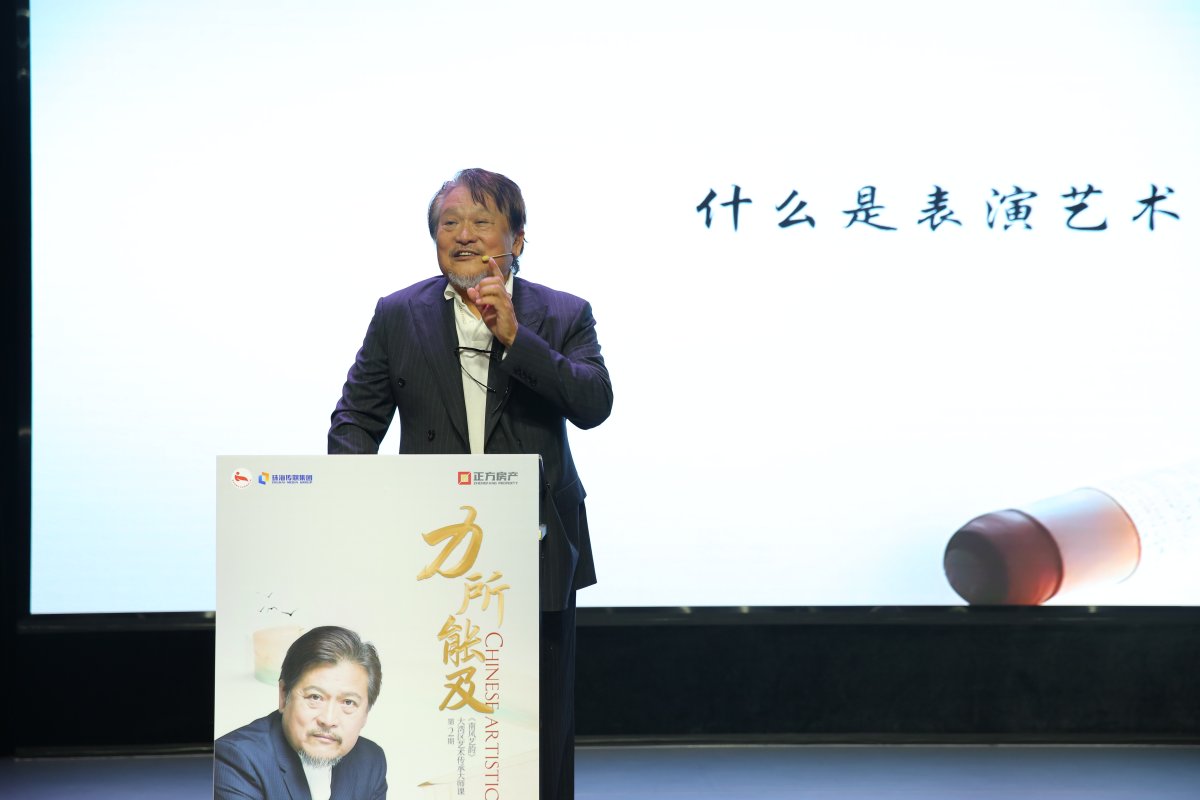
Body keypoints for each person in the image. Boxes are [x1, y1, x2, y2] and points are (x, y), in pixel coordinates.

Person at [328, 168, 613, 800]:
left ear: (517, 241)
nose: (462, 235)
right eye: (448, 223)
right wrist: (356, 505)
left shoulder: (563, 313)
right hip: (434, 548)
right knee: (438, 715)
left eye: (481, 222)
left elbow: (594, 403)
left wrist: (517, 338)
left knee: (539, 722)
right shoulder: (399, 314)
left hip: (534, 544)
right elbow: (356, 420)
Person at [215, 626, 387, 800]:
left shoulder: (371, 761)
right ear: (284, 696)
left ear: (366, 713)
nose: (328, 720)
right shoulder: (236, 759)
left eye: (348, 702)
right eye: (315, 697)